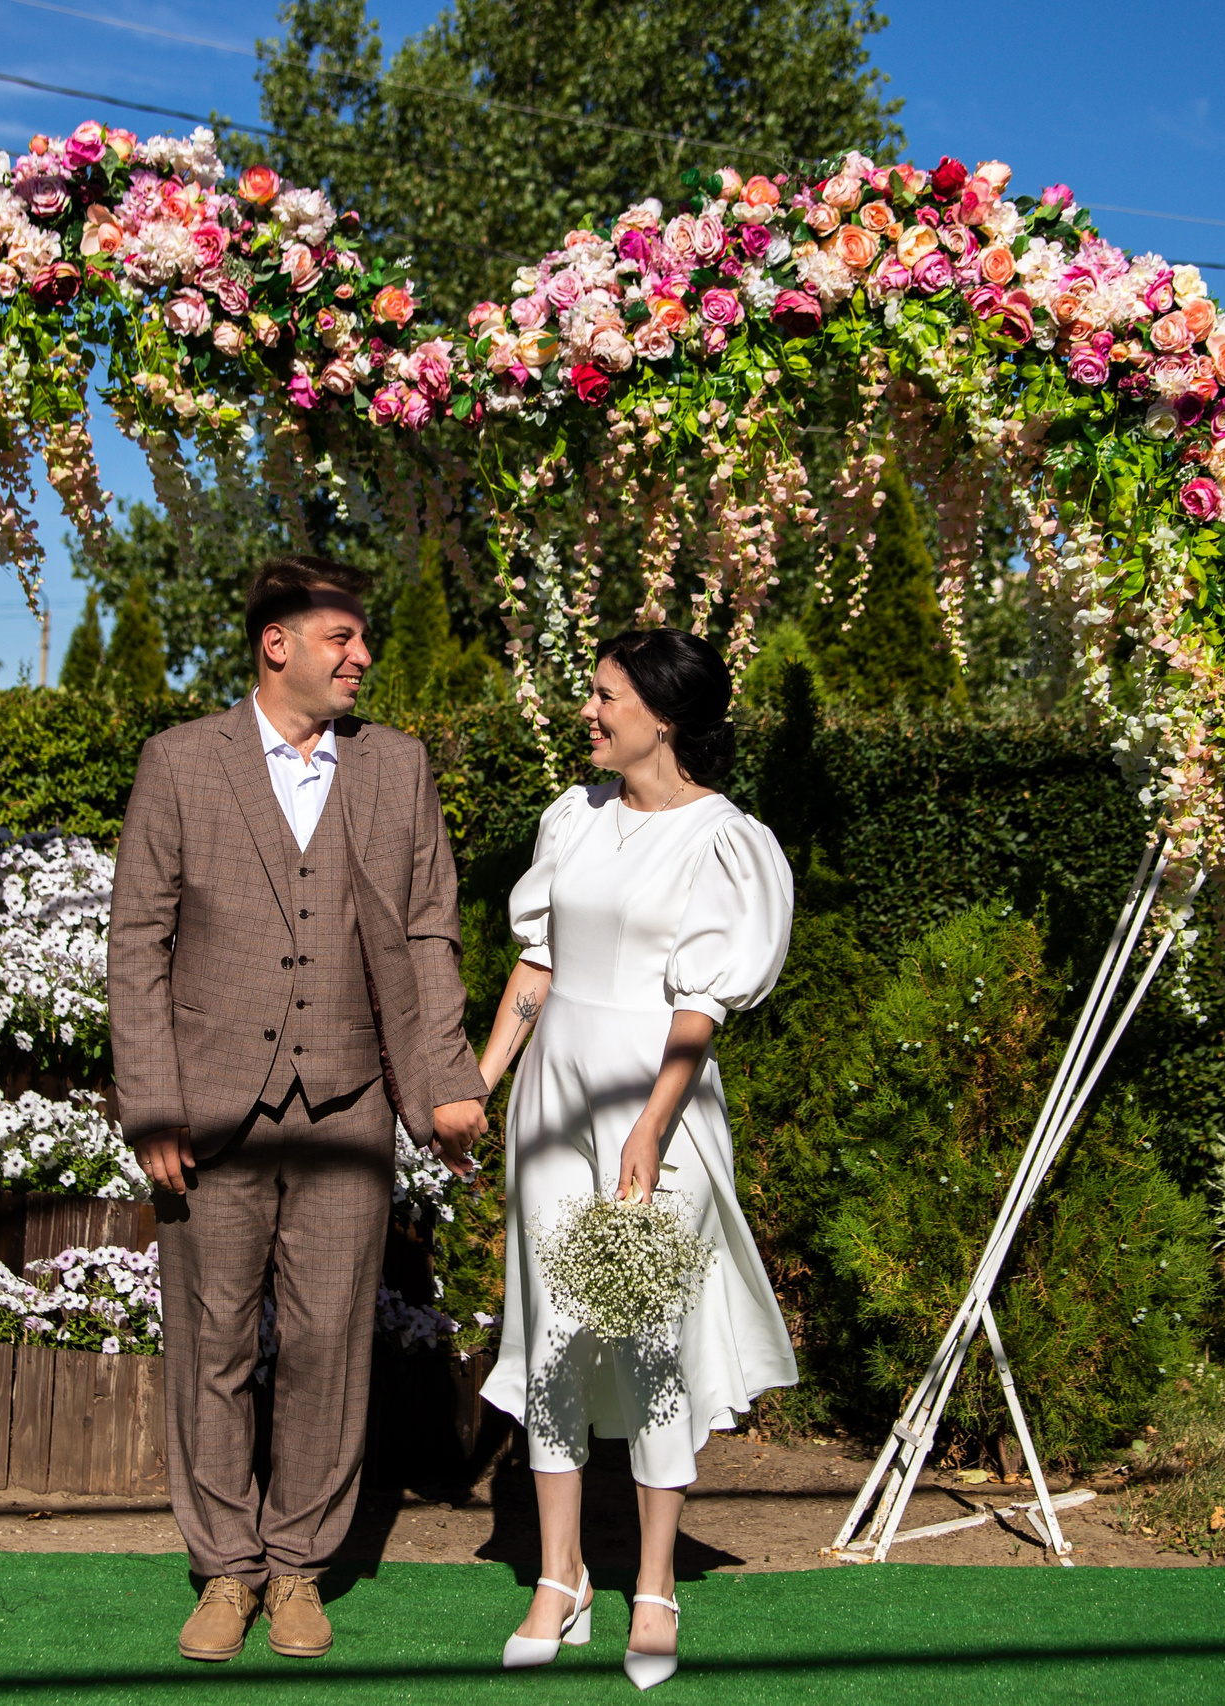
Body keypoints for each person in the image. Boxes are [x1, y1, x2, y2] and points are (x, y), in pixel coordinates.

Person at [106, 554, 492, 1663]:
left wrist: (444, 1084)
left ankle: (297, 1569)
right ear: (277, 643)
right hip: (209, 1111)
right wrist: (154, 1107)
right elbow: (138, 945)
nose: (361, 656)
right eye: (342, 638)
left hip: (348, 1105)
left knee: (329, 1344)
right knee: (212, 1345)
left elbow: (428, 929)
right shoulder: (179, 762)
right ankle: (224, 1567)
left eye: (362, 639)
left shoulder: (397, 768)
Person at [476, 627, 799, 1691]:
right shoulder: (572, 816)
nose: (588, 710)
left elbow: (702, 1005)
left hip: (652, 1106)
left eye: (604, 695)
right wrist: (477, 1083)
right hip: (549, 1100)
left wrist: (651, 1128)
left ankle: (653, 1582)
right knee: (553, 1327)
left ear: (660, 713)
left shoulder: (724, 839)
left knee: (647, 1332)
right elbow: (538, 960)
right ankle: (558, 1575)